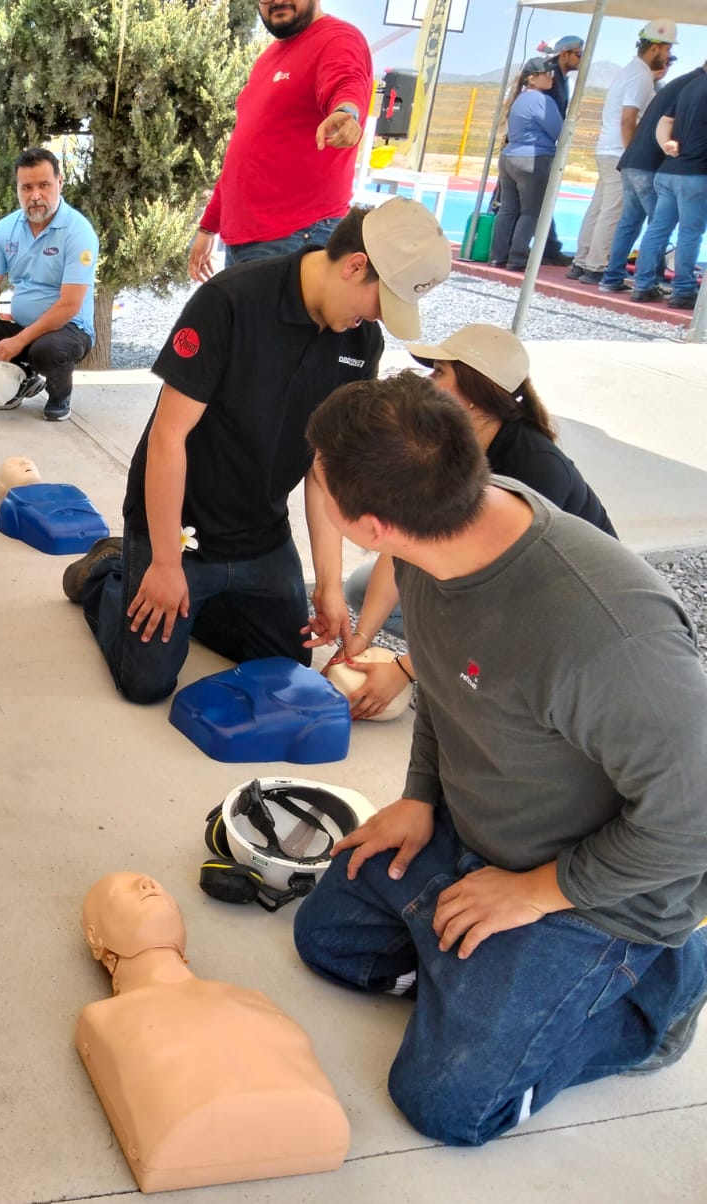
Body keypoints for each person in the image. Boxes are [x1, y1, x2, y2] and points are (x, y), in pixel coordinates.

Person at [293, 371, 707, 1147]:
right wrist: (419, 795)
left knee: (447, 1104)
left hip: (597, 892)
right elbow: (446, 678)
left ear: (371, 526)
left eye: (317, 479)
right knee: (329, 941)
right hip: (477, 826)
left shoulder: (611, 638)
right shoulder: (435, 533)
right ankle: (486, 972)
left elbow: (693, 824)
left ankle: (656, 996)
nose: (309, 482)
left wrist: (536, 892)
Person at [62, 199, 452, 705]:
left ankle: (197, 603)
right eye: (380, 302)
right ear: (355, 265)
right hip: (181, 528)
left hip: (261, 537)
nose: (374, 319)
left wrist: (330, 584)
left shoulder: (361, 342)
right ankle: (110, 574)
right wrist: (162, 561)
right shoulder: (231, 300)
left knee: (287, 662)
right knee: (146, 684)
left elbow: (323, 467)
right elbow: (167, 438)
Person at [336, 324, 616, 717]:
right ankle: (463, 664)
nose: (427, 383)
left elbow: (504, 600)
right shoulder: (445, 446)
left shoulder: (533, 469)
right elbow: (403, 545)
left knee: (463, 622)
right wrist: (361, 640)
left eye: (439, 373)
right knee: (366, 589)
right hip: (510, 592)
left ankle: (500, 677)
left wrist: (405, 669)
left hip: (572, 617)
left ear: (474, 393)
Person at [76, 873, 349, 1192]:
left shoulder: (251, 998)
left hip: (314, 1118)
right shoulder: (103, 1019)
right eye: (125, 890)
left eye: (158, 884)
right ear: (95, 938)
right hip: (187, 1132)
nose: (150, 886)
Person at [187, 0, 372, 279]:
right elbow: (246, 152)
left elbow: (346, 80)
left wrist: (346, 112)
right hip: (249, 242)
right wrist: (209, 225)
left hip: (295, 236)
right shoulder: (269, 58)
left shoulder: (337, 39)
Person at [0, 147, 99, 421]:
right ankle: (22, 379)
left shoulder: (78, 231)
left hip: (69, 330)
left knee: (47, 351)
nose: (35, 195)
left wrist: (19, 341)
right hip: (22, 328)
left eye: (44, 185)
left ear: (59, 183)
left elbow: (70, 304)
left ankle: (59, 394)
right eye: (26, 187)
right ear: (17, 189)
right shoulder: (6, 229)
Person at [568, 23, 674, 284]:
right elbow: (628, 119)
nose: (667, 57)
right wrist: (632, 154)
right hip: (619, 151)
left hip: (607, 148)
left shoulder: (629, 71)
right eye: (668, 50)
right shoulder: (640, 77)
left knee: (599, 208)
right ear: (657, 47)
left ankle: (582, 262)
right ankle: (597, 266)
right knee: (613, 212)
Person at [599, 60, 705, 294]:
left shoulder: (685, 84)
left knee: (640, 225)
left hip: (638, 162)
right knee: (680, 230)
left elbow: (665, 121)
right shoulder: (692, 83)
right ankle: (674, 286)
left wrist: (667, 145)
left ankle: (619, 278)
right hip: (661, 167)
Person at [635, 57, 707, 311]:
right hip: (696, 175)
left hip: (669, 171)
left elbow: (664, 122)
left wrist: (668, 145)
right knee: (690, 234)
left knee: (657, 230)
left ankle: (642, 284)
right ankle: (683, 289)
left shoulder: (691, 86)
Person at [489, 59, 566, 271]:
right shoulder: (543, 101)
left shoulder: (519, 99)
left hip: (509, 158)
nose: (551, 77)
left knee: (508, 209)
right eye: (546, 73)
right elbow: (558, 131)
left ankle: (498, 256)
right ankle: (517, 258)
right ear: (532, 77)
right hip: (533, 158)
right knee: (531, 212)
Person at [546, 34, 584, 118]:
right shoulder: (550, 78)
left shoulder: (563, 79)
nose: (582, 58)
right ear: (564, 54)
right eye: (579, 54)